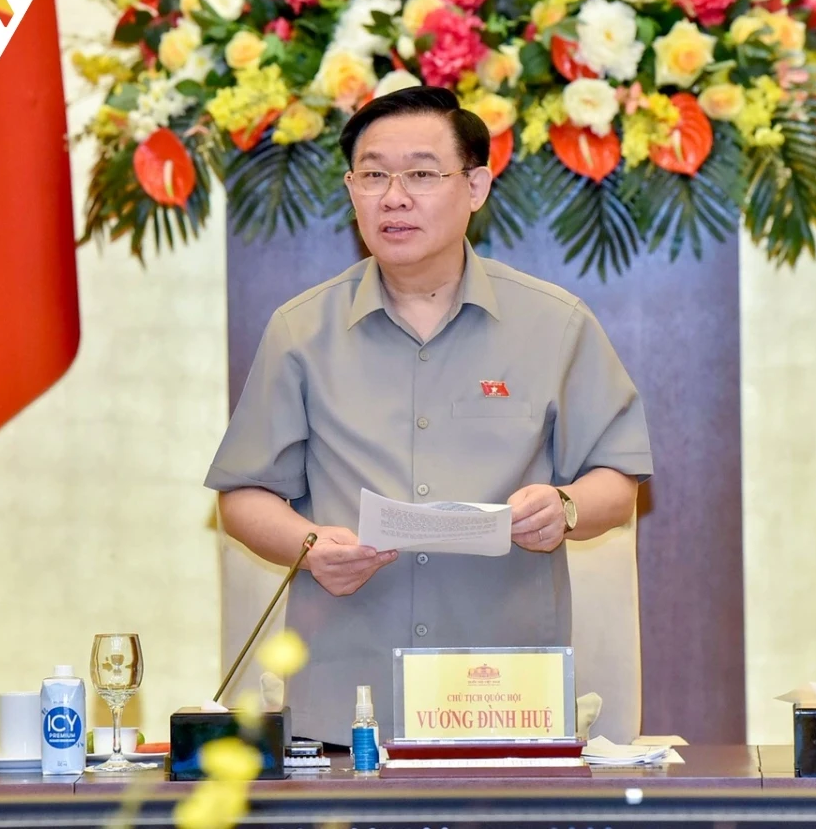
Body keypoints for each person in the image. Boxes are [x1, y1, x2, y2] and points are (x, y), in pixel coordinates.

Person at [206, 86, 652, 746]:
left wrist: (565, 507)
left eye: (420, 174)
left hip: (502, 701)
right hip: (343, 698)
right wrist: (310, 546)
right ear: (351, 190)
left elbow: (619, 480)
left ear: (475, 186)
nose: (393, 198)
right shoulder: (300, 330)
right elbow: (242, 496)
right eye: (373, 176)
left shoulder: (556, 324)